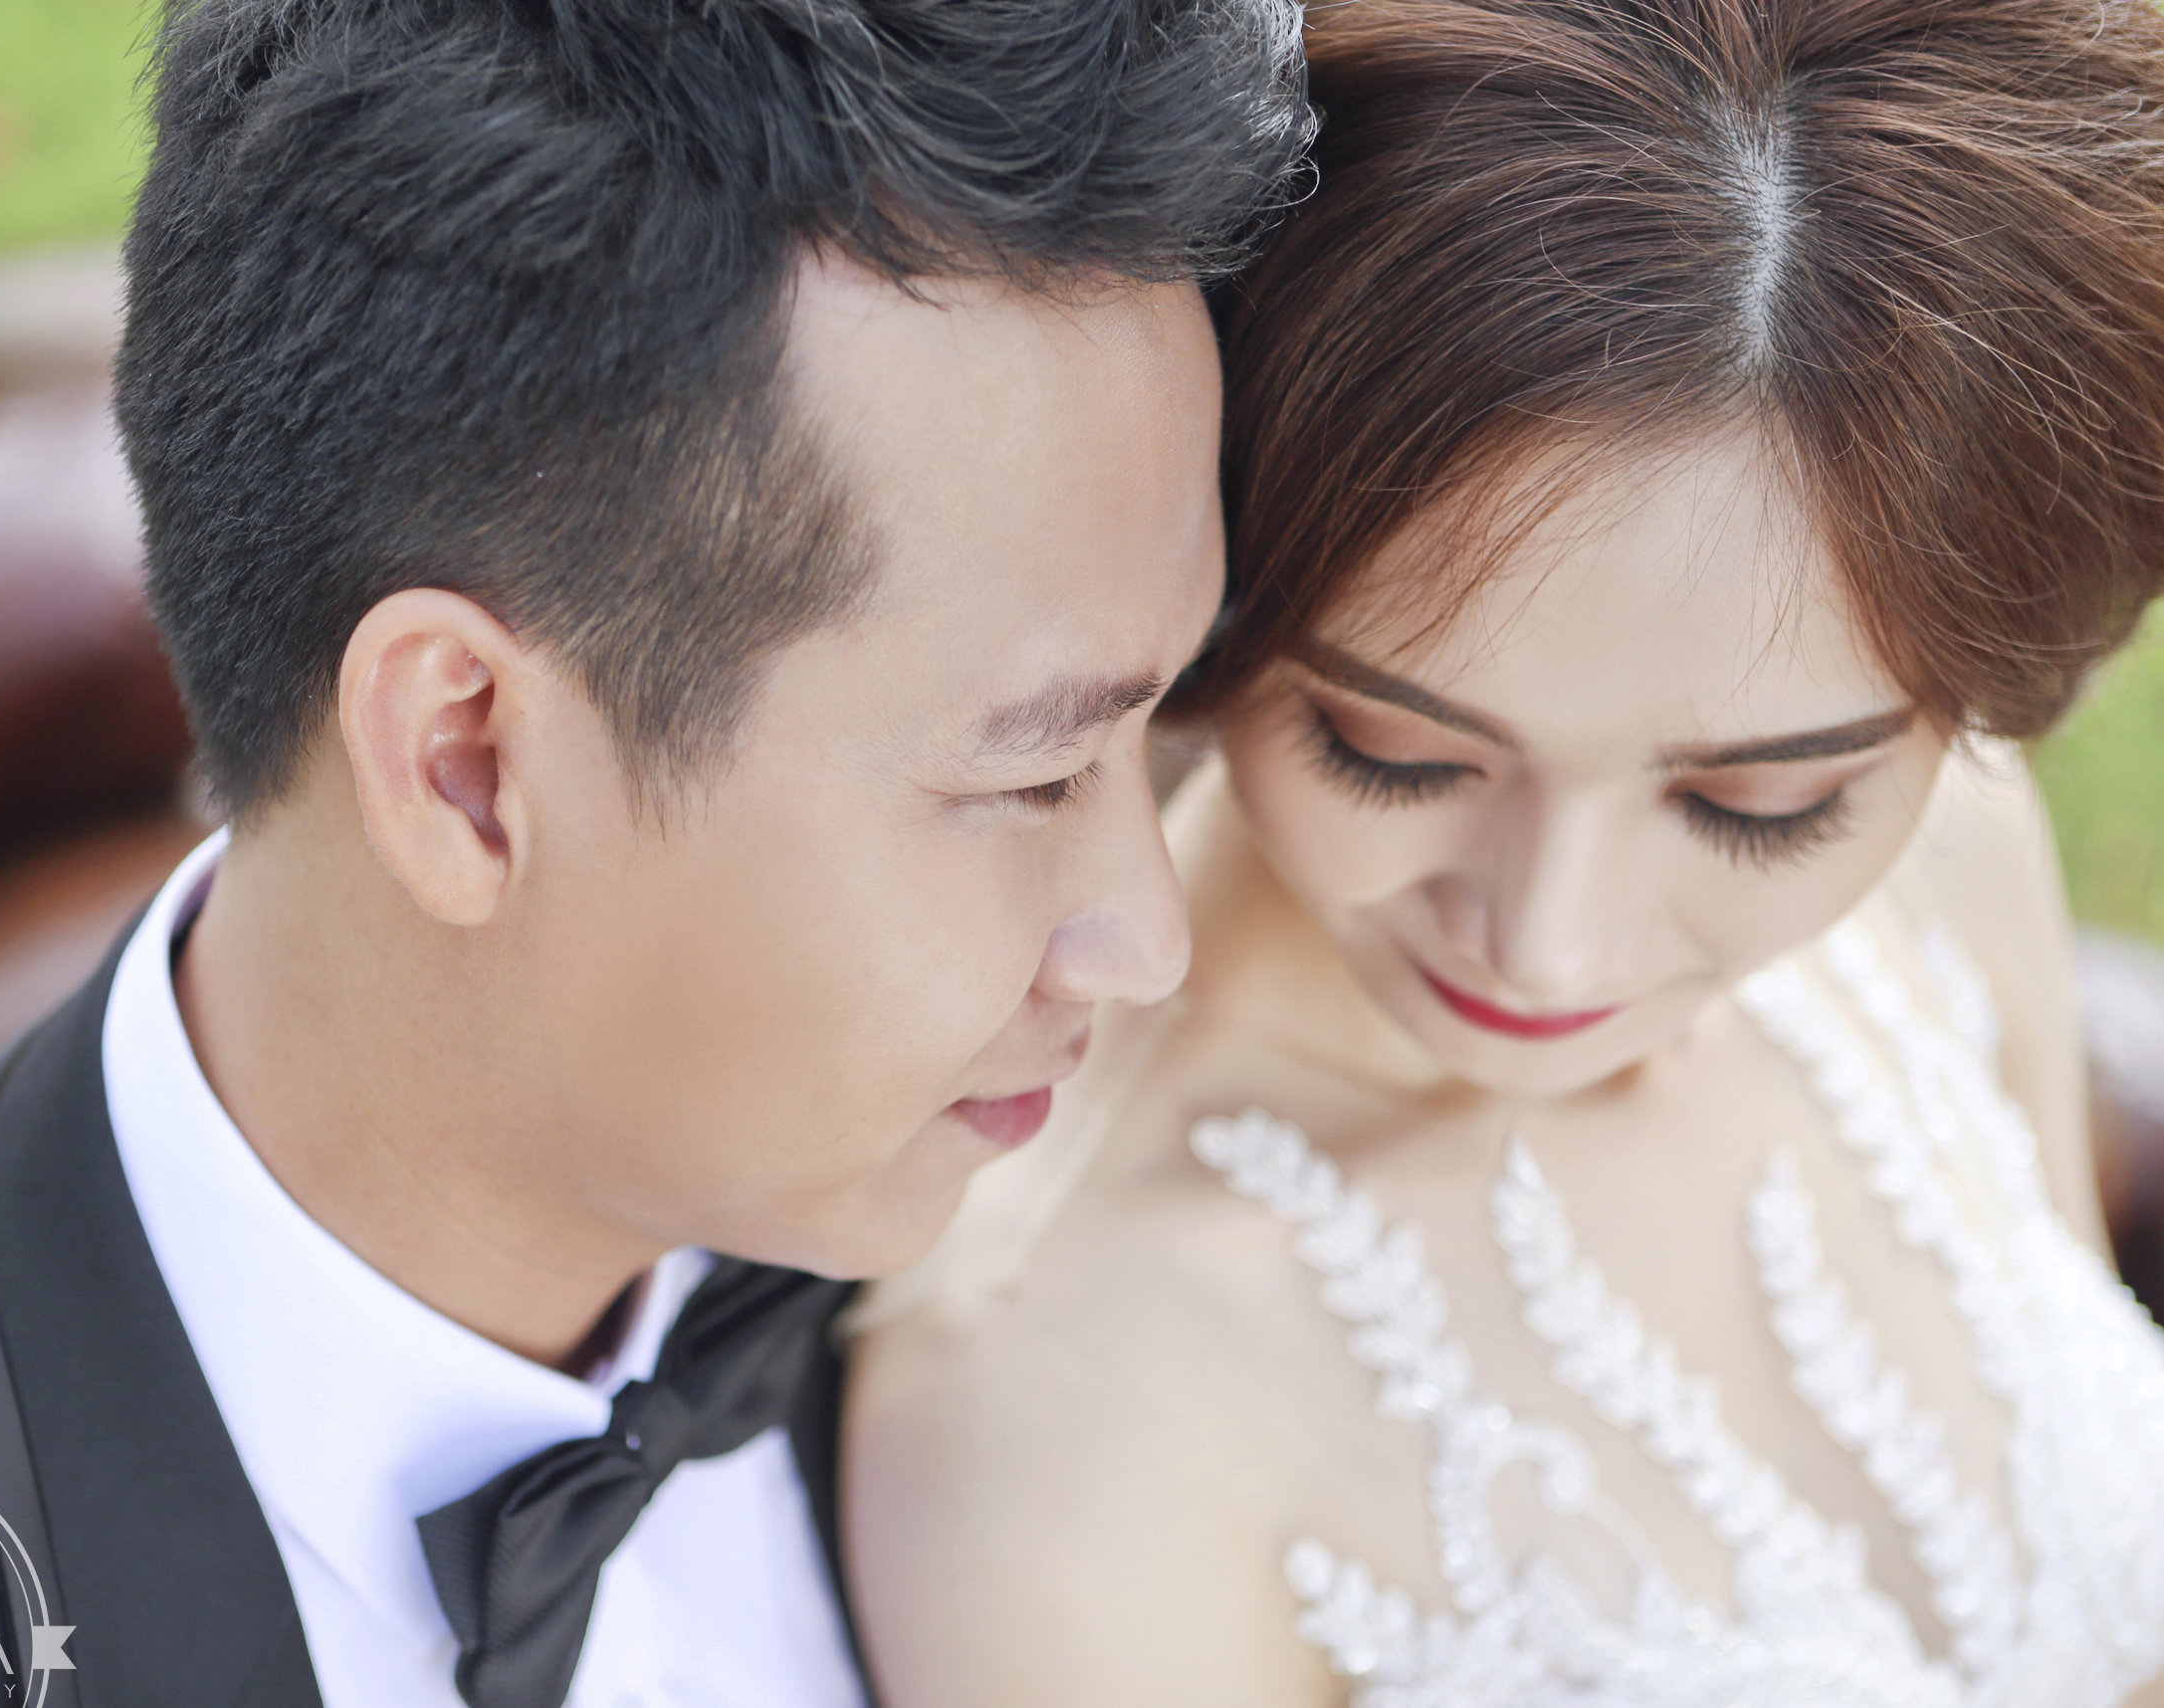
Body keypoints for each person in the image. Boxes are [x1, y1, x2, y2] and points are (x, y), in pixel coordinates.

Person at [0, 0, 1316, 1702]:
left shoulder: (1044, 1256)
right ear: (465, 763)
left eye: (1152, 734)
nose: (1144, 936)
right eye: (1035, 777)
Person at [844, 0, 2164, 1702]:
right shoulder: (1058, 1404)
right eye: (1393, 754)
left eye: (1757, 808)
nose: (1550, 946)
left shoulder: (1950, 877)